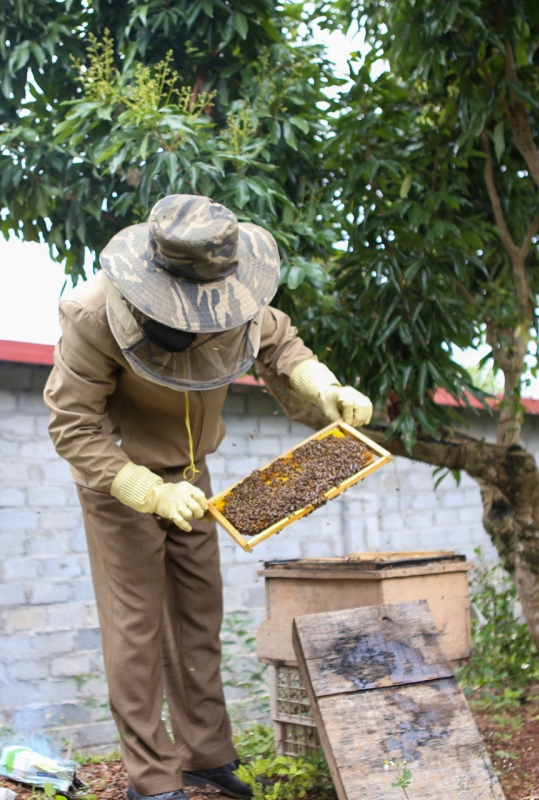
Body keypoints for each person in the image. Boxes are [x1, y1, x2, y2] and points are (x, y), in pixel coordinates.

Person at [44, 194, 372, 800]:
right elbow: (72, 424)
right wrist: (144, 489)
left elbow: (281, 342)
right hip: (120, 483)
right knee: (136, 629)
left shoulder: (235, 295)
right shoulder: (92, 316)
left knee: (200, 615)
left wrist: (324, 385)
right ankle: (152, 777)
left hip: (196, 479)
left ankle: (205, 755)